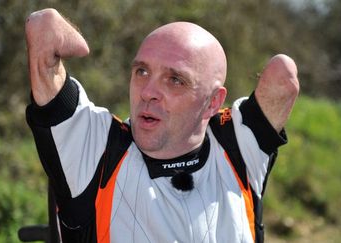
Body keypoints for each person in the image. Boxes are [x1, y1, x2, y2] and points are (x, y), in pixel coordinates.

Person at [25, 8, 299, 243]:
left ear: (214, 103)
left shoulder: (236, 146)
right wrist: (50, 23)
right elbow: (43, 32)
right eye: (142, 71)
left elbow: (283, 78)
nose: (148, 92)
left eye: (175, 80)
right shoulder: (98, 149)